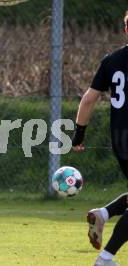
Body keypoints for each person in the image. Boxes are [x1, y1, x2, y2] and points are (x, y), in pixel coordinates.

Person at [72, 11, 128, 266]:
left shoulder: (111, 60)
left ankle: (103, 214)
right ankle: (106, 258)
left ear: (126, 30)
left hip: (120, 138)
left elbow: (89, 100)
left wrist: (78, 135)